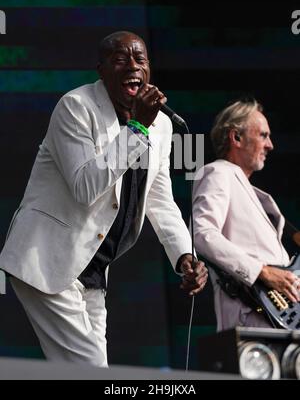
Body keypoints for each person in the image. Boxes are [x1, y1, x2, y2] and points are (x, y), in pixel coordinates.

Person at [0, 31, 208, 367]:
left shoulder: (162, 126)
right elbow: (85, 186)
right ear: (101, 70)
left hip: (93, 270)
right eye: (120, 59)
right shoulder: (76, 107)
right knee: (92, 370)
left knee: (92, 369)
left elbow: (160, 198)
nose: (133, 66)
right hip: (48, 258)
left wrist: (184, 254)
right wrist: (137, 128)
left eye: (140, 59)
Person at [192, 99, 300, 331]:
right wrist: (261, 271)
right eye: (263, 135)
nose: (270, 145)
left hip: (278, 319)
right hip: (249, 317)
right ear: (236, 138)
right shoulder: (217, 172)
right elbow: (202, 234)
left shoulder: (252, 192)